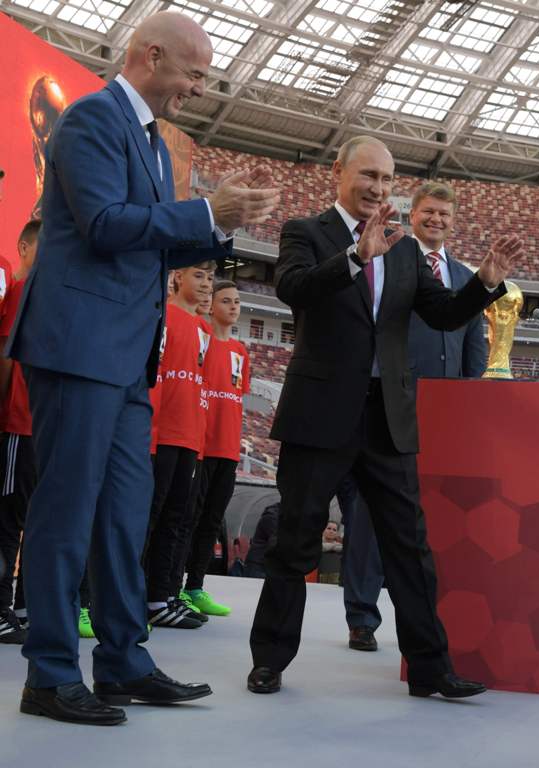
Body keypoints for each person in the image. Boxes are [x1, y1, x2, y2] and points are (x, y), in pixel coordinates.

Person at [7, 11, 279, 725]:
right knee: (65, 513)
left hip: (128, 359)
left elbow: (151, 248)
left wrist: (220, 222)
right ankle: (50, 673)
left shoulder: (157, 146)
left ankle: (123, 659)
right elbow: (104, 226)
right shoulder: (92, 120)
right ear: (149, 55)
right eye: (192, 73)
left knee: (124, 515)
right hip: (77, 345)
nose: (195, 89)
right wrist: (202, 211)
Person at [246, 134, 523, 699]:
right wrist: (353, 258)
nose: (378, 188)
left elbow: (444, 315)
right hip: (320, 414)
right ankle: (269, 659)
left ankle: (430, 668)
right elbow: (292, 288)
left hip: (387, 418)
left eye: (387, 179)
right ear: (339, 173)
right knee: (295, 541)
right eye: (368, 175)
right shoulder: (307, 231)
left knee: (409, 547)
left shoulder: (404, 248)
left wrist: (485, 282)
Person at [339, 181, 489, 654]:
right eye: (428, 212)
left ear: (453, 219)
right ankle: (362, 614)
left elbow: (473, 341)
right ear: (413, 213)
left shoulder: (465, 275)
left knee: (425, 515)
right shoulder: (390, 258)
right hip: (392, 402)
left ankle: (424, 621)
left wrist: (468, 391)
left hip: (447, 411)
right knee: (370, 512)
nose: (436, 220)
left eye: (445, 213)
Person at [145, 263, 214, 630]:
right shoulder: (163, 315)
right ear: (177, 278)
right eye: (199, 276)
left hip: (189, 436)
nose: (206, 285)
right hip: (161, 434)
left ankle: (160, 598)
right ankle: (133, 601)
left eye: (209, 278)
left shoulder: (203, 328)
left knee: (175, 519)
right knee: (149, 519)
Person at [178, 280, 249, 616]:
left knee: (211, 521)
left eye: (237, 301)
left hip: (228, 450)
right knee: (187, 518)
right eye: (226, 300)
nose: (233, 307)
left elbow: (236, 399)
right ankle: (170, 586)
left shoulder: (241, 351)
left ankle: (195, 586)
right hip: (201, 448)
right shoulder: (201, 340)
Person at [0, 219, 40, 645]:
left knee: (34, 519)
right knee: (10, 520)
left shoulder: (44, 294)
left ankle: (25, 605)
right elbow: (7, 359)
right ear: (25, 248)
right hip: (19, 424)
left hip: (41, 426)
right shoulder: (18, 290)